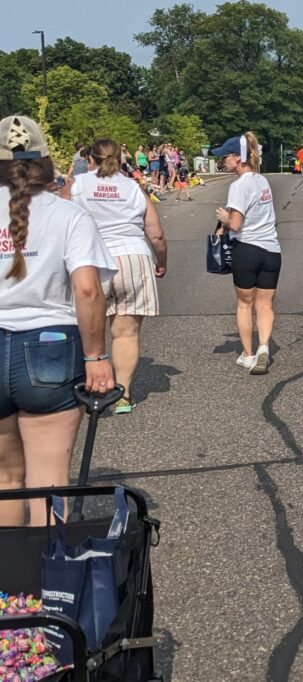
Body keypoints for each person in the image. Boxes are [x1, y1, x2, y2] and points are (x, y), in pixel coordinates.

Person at [0, 116, 116, 526]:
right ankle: (49, 584)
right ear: (47, 163)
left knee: (5, 478)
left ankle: (10, 586)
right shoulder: (69, 216)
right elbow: (87, 290)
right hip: (49, 346)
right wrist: (96, 356)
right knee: (50, 481)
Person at [71, 138, 168, 414]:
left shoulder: (77, 186)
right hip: (133, 257)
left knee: (87, 329)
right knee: (125, 333)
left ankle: (90, 387)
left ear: (89, 159)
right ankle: (122, 395)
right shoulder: (133, 188)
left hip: (91, 259)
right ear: (120, 158)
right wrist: (161, 262)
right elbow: (156, 233)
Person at [212, 132, 281, 375]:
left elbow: (237, 224)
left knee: (244, 304)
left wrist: (224, 218)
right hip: (271, 250)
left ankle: (248, 355)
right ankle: (264, 347)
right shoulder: (262, 181)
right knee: (265, 304)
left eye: (225, 157)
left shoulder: (238, 185)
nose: (222, 162)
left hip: (247, 249)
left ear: (237, 157)